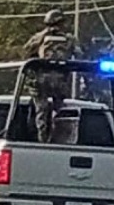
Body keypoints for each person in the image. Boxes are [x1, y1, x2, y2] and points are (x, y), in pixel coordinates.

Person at [23, 8, 82, 142]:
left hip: (41, 82)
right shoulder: (69, 39)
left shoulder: (40, 37)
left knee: (41, 112)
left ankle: (42, 140)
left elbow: (26, 49)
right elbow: (80, 55)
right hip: (60, 82)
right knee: (59, 112)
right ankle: (59, 138)